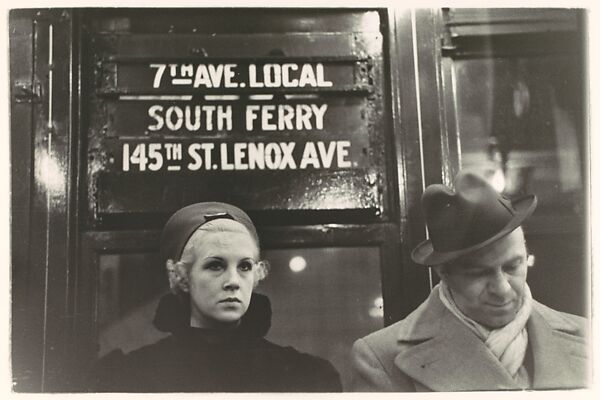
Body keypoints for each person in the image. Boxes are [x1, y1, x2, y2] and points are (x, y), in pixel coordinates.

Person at [350, 171, 588, 391]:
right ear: (443, 273)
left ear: (526, 255)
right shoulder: (381, 359)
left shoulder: (589, 336)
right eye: (478, 273)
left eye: (512, 266)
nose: (503, 289)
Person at [89, 202, 342, 392]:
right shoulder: (130, 375)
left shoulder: (306, 376)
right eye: (215, 266)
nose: (232, 281)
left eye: (244, 266)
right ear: (182, 277)